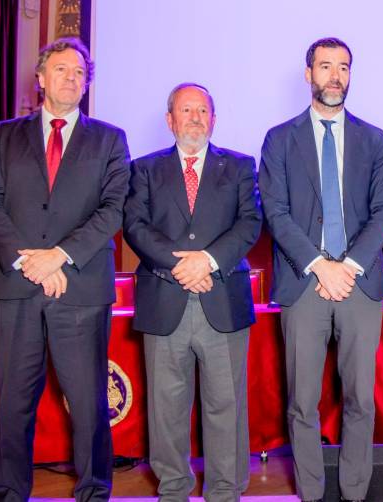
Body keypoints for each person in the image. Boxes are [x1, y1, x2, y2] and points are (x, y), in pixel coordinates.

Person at [0, 37, 130, 501]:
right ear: (40, 78)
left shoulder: (109, 139)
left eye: (80, 73)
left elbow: (113, 209)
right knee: (14, 404)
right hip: (17, 285)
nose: (71, 78)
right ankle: (8, 493)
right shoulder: (5, 135)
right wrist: (29, 261)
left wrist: (58, 256)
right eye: (62, 69)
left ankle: (93, 492)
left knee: (88, 405)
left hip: (79, 287)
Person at [257, 37, 383, 502]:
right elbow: (275, 213)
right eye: (325, 66)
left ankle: (355, 493)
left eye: (343, 67)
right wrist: (320, 266)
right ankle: (311, 495)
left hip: (359, 283)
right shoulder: (279, 139)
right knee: (303, 402)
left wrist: (349, 266)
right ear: (308, 74)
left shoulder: (374, 139)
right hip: (304, 283)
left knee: (360, 397)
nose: (334, 76)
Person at [123, 83, 261, 501]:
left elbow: (250, 223)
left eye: (203, 110)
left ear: (214, 119)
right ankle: (173, 490)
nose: (195, 118)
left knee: (226, 408)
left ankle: (225, 492)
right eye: (186, 110)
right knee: (167, 410)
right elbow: (135, 225)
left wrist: (209, 261)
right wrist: (182, 265)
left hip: (223, 302)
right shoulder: (144, 169)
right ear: (170, 120)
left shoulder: (239, 166)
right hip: (166, 301)